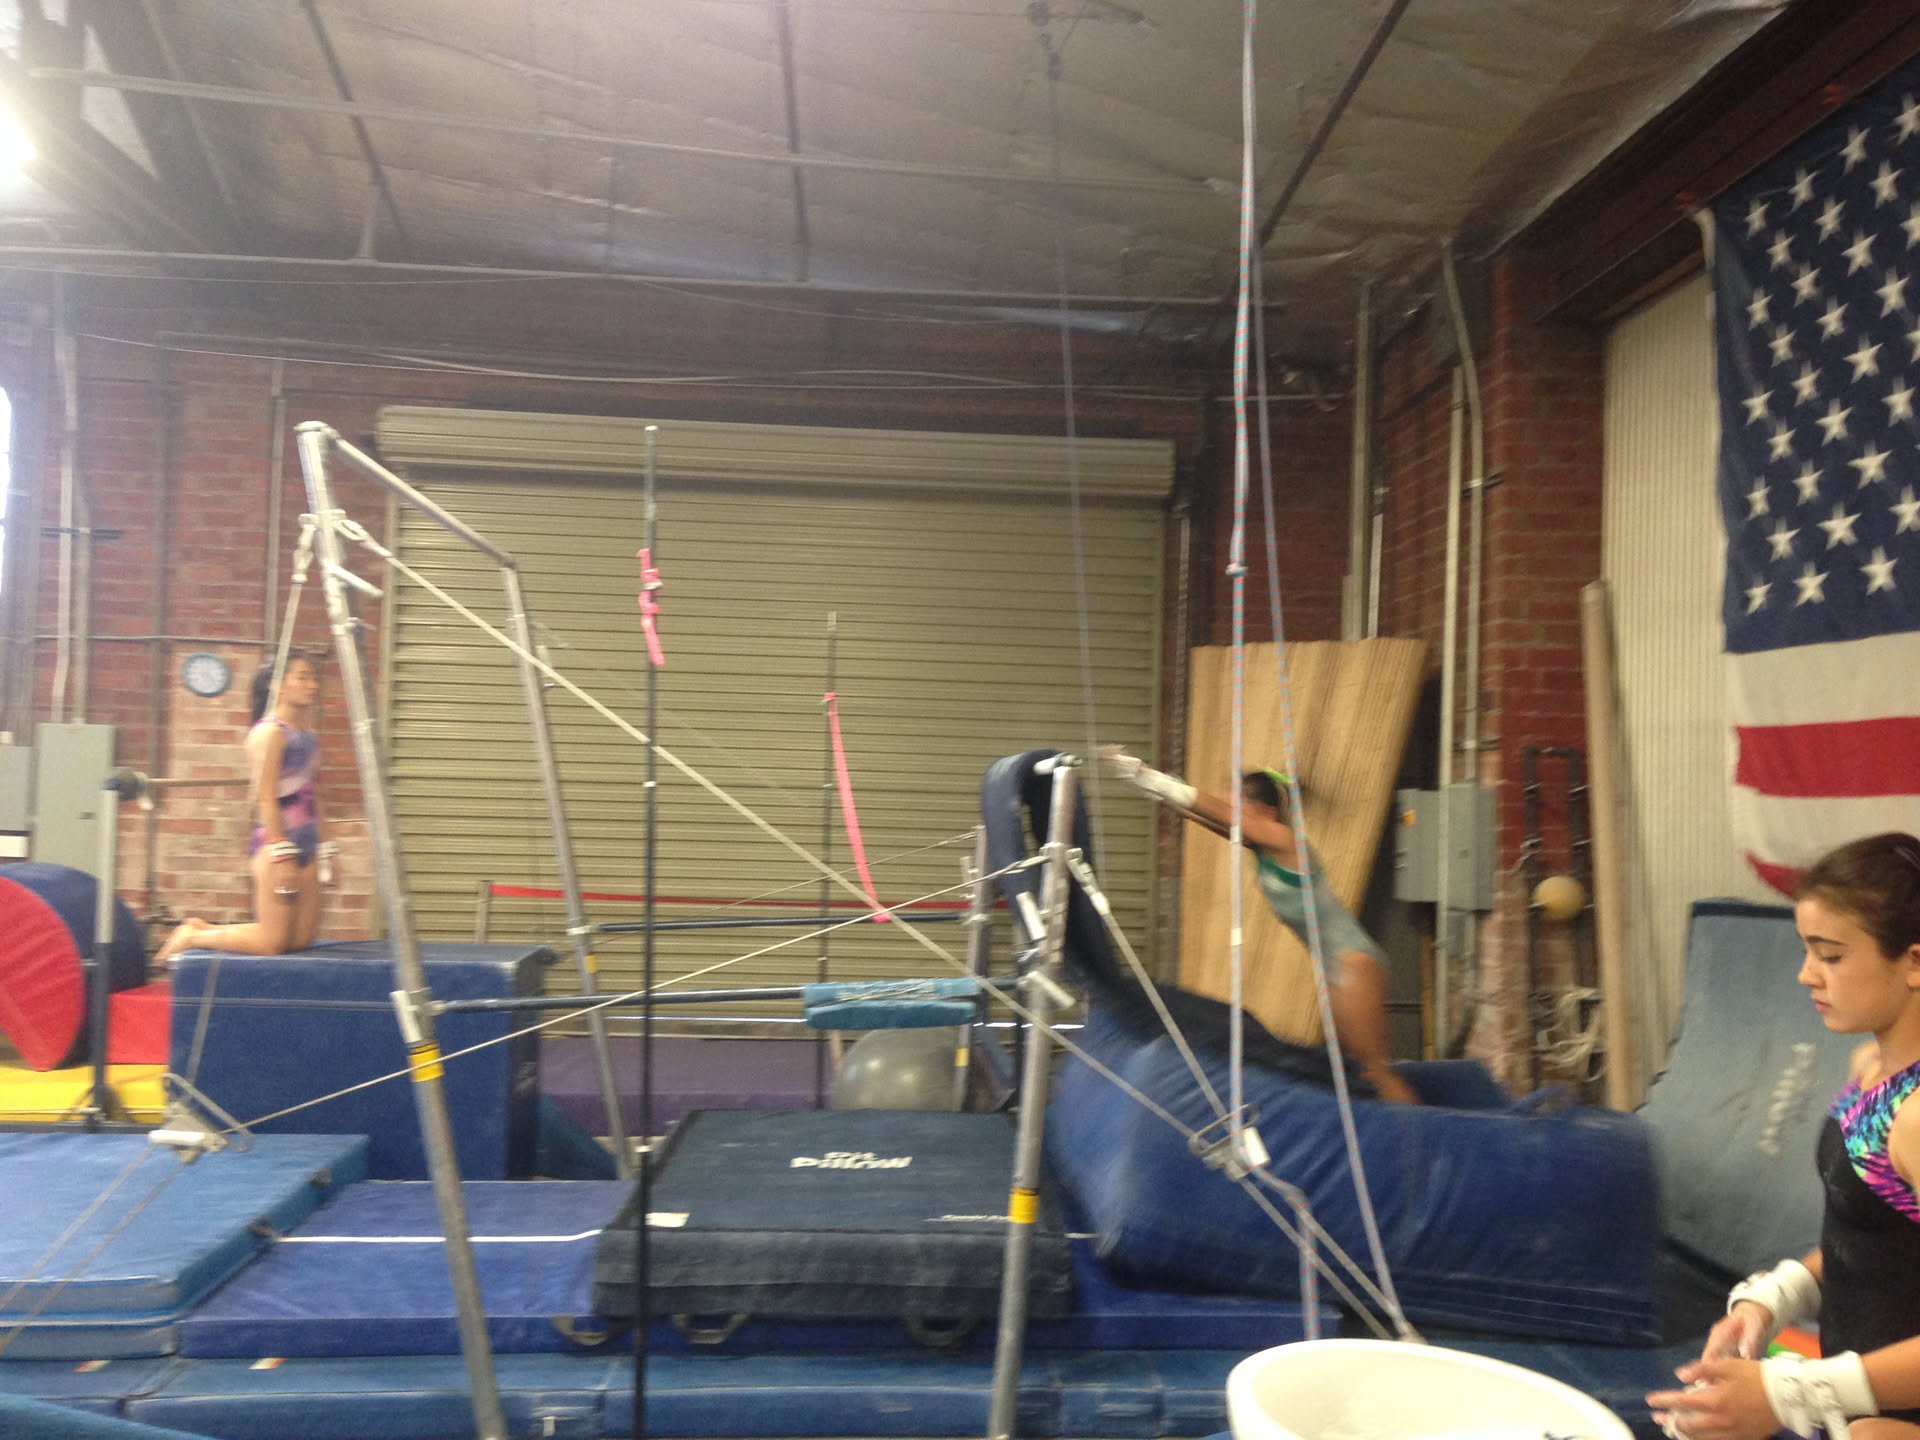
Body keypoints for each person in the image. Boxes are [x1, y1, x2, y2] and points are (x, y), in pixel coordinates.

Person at [1647, 832, 1920, 1440]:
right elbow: (1877, 1240)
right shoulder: (1869, 1070)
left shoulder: (1917, 1118)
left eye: (1831, 956)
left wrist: (1791, 1393)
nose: (1805, 975)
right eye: (1806, 951)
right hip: (1856, 1400)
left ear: (1913, 962)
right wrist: (1780, 1294)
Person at [1101, 746, 1419, 1105]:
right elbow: (1196, 812)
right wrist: (1136, 776)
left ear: (1266, 812)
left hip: (1354, 963)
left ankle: (1423, 1136)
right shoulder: (1259, 845)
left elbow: (1218, 811)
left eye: (1236, 803)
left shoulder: (1285, 840)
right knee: (1354, 1069)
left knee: (1376, 1070)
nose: (1229, 811)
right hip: (1334, 967)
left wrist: (1145, 773)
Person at [155, 653, 334, 964]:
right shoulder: (270, 733)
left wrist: (328, 847)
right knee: (272, 942)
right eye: (303, 677)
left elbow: (316, 793)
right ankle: (192, 936)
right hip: (276, 845)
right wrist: (281, 854)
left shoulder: (308, 737)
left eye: (313, 678)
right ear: (277, 684)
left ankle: (202, 928)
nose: (312, 685)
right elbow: (265, 796)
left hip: (308, 844)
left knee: (298, 941)